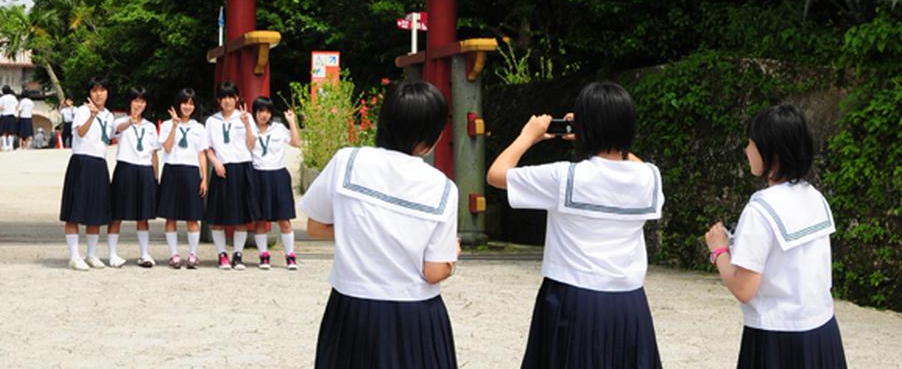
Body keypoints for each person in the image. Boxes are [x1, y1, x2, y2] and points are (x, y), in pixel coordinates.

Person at [487, 81, 664, 368]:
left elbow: (497, 174)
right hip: (629, 303)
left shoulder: (565, 178)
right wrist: (600, 141)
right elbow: (635, 164)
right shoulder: (649, 178)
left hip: (572, 299)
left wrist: (527, 137)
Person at [301, 80, 460, 368]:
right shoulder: (442, 188)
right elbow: (434, 271)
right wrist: (453, 255)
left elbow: (315, 226)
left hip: (352, 309)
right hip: (415, 316)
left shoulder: (348, 161)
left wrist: (356, 229)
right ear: (432, 135)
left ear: (384, 121)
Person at [704, 104, 847, 368]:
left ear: (771, 152)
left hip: (777, 338)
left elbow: (744, 289)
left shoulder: (761, 209)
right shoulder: (815, 197)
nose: (747, 150)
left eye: (751, 143)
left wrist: (719, 250)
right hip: (822, 330)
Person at [58, 77, 115, 270]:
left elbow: (112, 136)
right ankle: (74, 256)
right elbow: (81, 133)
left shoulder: (109, 115)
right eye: (94, 90)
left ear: (107, 93)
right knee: (74, 211)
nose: (98, 94)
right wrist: (92, 115)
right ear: (90, 93)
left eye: (102, 90)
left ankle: (91, 254)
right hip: (82, 162)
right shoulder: (82, 110)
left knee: (96, 212)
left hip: (99, 164)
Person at [204, 81, 258, 270]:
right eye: (223, 97)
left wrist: (247, 125)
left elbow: (252, 145)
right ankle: (222, 254)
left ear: (236, 98)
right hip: (222, 169)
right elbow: (207, 148)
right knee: (218, 216)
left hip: (242, 167)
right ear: (219, 100)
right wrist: (216, 162)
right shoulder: (212, 121)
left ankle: (237, 254)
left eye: (230, 97)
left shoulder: (245, 117)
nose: (227, 101)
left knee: (241, 216)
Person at [106, 86, 161, 268]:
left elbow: (154, 153)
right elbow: (115, 132)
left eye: (142, 101)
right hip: (125, 168)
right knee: (117, 214)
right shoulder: (119, 122)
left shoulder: (151, 127)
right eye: (135, 100)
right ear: (129, 102)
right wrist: (131, 120)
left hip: (144, 170)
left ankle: (144, 254)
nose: (139, 104)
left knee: (143, 215)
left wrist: (155, 177)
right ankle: (113, 254)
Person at [156, 88, 209, 269]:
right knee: (171, 217)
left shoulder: (199, 128)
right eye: (184, 102)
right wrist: (174, 126)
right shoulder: (166, 125)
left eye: (191, 103)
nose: (187, 106)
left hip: (192, 172)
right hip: (172, 170)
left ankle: (193, 254)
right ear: (178, 104)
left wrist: (204, 178)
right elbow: (168, 147)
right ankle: (174, 254)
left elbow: (202, 153)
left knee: (192, 217)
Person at [249, 96, 302, 270]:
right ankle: (263, 255)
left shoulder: (278, 128)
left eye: (267, 111)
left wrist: (291, 122)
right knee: (261, 219)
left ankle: (290, 255)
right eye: (260, 111)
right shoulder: (250, 129)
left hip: (278, 174)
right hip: (258, 174)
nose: (263, 115)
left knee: (284, 219)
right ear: (255, 112)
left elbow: (296, 143)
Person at [0, 85, 18, 152]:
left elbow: (0, 107)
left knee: (4, 132)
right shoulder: (13, 98)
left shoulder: (2, 98)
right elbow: (16, 106)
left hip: (4, 115)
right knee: (11, 132)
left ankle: (5, 146)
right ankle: (11, 146)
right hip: (12, 115)